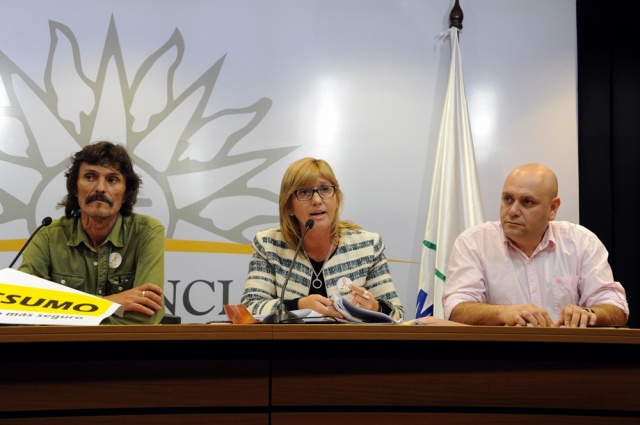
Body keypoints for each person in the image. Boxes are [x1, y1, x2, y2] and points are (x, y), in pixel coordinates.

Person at [441, 163, 628, 328]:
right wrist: (502, 313)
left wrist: (589, 314)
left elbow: (616, 308)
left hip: (567, 353)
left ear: (553, 208)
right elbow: (456, 308)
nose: (513, 211)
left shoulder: (581, 242)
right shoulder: (473, 242)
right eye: (508, 199)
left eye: (527, 202)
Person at [18, 141, 165, 325]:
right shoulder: (47, 236)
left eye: (112, 180)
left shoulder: (147, 232)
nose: (100, 188)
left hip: (110, 348)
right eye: (90, 177)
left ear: (126, 193)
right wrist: (111, 303)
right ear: (74, 188)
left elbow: (146, 316)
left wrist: (64, 315)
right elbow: (21, 309)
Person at [241, 157, 404, 322]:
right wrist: (298, 305)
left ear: (337, 199)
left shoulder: (367, 246)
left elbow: (397, 314)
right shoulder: (269, 245)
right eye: (304, 192)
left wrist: (376, 308)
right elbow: (249, 308)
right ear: (289, 205)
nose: (317, 200)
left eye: (325, 189)